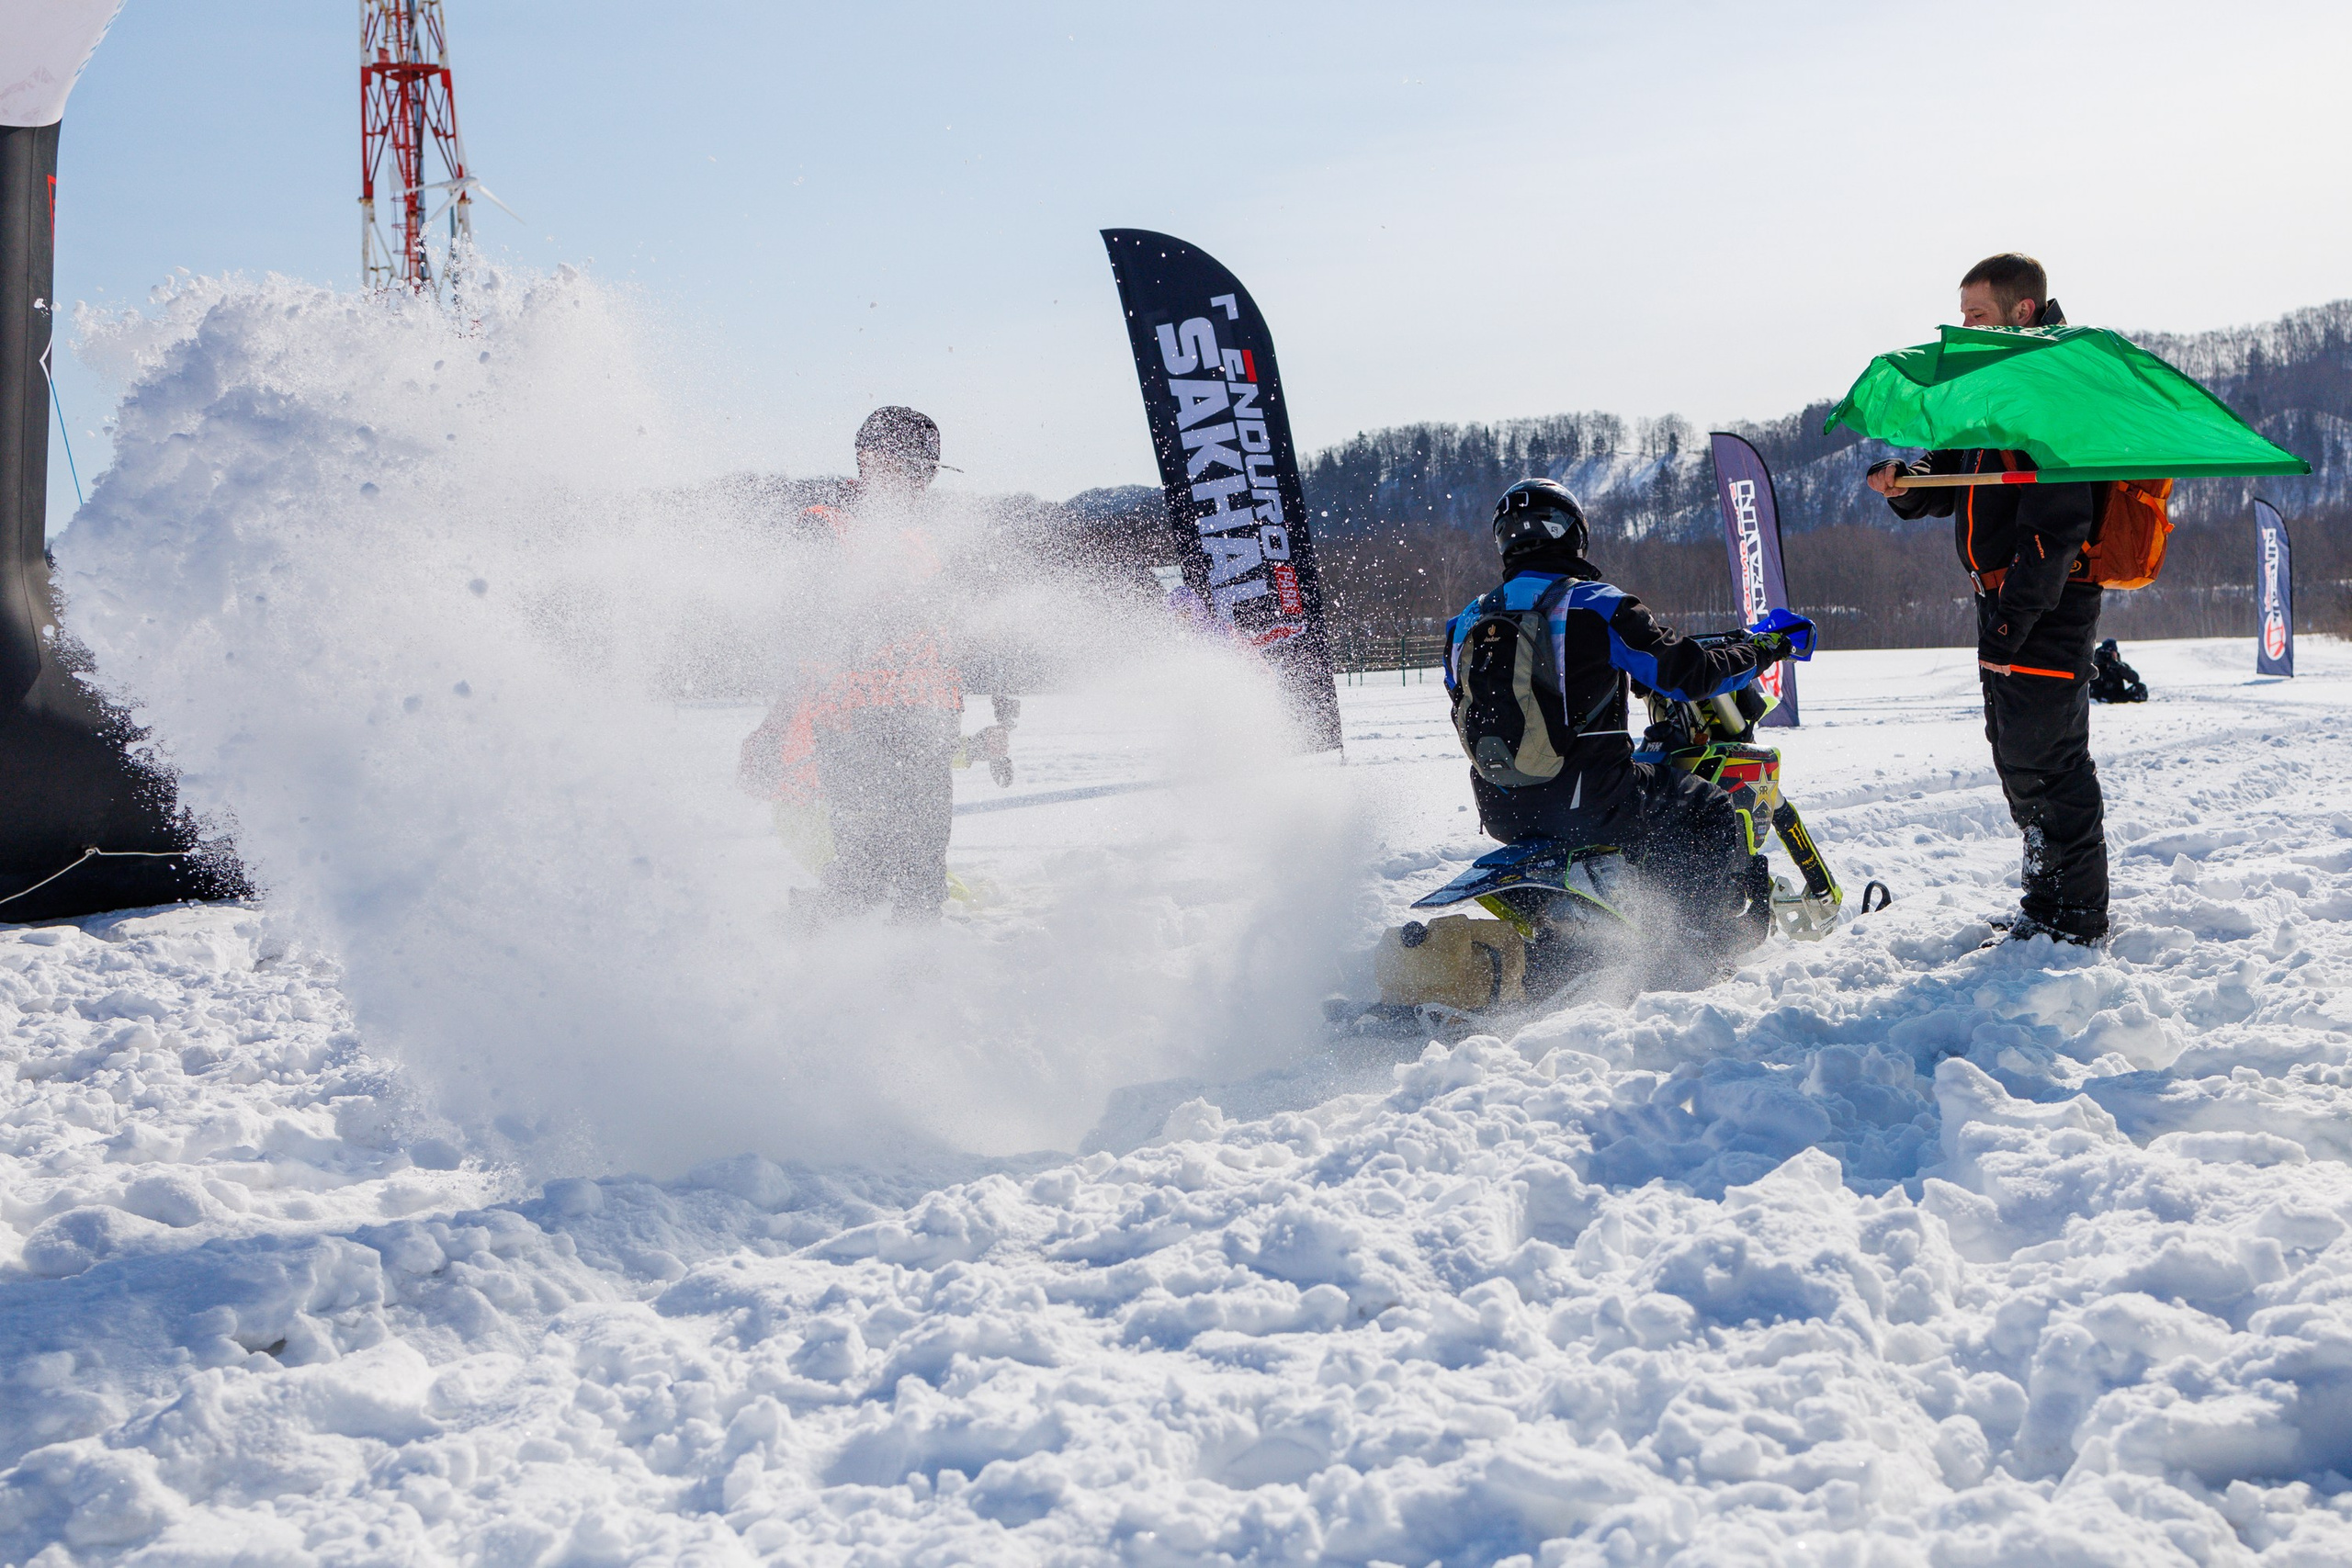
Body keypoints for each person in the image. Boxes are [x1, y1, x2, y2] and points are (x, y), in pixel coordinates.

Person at [1443, 479, 1799, 966]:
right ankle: (1705, 944)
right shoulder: (1595, 602)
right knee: (1707, 804)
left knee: (1648, 793)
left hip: (1504, 810)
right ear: (1572, 534)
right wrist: (1764, 647)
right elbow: (1686, 674)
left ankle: (1631, 917)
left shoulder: (1465, 622)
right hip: (1593, 800)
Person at [1863, 253, 2109, 945]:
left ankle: (2077, 920)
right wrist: (1909, 481)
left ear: (2021, 312)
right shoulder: (2000, 385)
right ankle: (2047, 905)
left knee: (2048, 760)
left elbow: (2059, 523)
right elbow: (1957, 467)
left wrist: (2012, 625)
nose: (1965, 326)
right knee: (2019, 756)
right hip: (2007, 602)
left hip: (2044, 600)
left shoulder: (2048, 389)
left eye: (1977, 314)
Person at [736, 406, 1013, 924]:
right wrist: (907, 614)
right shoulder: (825, 526)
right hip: (856, 727)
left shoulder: (920, 541)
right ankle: (807, 950)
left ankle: (909, 980)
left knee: (921, 880)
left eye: (929, 471)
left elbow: (936, 636)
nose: (920, 483)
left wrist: (977, 636)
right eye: (911, 467)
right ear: (871, 461)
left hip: (925, 724)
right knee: (867, 876)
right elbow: (809, 618)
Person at [2087, 638, 2147, 704]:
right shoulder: (2096, 665)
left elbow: (2135, 678)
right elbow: (2091, 682)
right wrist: (2099, 664)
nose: (2110, 656)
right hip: (2101, 694)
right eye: (2108, 653)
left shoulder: (2120, 665)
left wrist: (2119, 667)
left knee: (2141, 687)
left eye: (2112, 653)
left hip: (2118, 695)